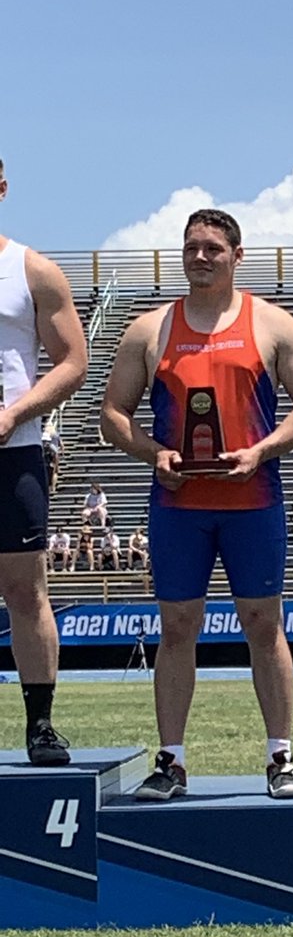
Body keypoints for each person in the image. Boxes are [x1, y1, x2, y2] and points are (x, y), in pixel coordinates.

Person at [101, 208, 293, 801]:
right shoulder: (149, 330)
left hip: (253, 499)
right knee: (177, 628)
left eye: (212, 248)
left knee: (263, 624)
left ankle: (281, 755)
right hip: (179, 504)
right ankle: (171, 760)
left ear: (237, 255)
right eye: (191, 247)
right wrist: (154, 453)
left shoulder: (272, 325)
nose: (200, 257)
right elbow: (112, 416)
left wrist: (263, 450)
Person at [0, 157, 88, 764]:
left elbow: (73, 360)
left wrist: (13, 413)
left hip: (13, 451)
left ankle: (40, 725)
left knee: (25, 590)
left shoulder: (30, 270)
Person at [41, 420, 63, 494]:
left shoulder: (41, 445)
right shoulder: (55, 435)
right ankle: (53, 487)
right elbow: (61, 445)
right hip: (52, 460)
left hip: (44, 461)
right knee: (54, 473)